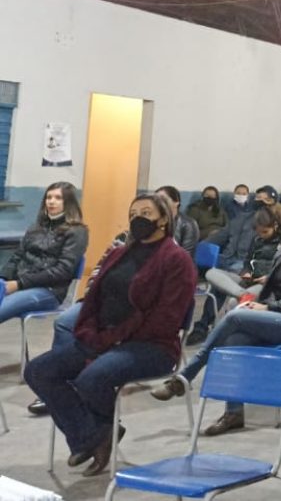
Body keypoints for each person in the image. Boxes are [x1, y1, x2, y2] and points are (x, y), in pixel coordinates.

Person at [25, 194, 195, 476]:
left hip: (152, 346)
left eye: (146, 212)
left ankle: (92, 437)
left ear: (163, 218)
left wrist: (116, 338)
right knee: (39, 371)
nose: (137, 218)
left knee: (92, 378)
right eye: (133, 212)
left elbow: (166, 320)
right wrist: (92, 332)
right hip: (104, 339)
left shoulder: (177, 260)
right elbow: (93, 300)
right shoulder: (120, 253)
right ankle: (93, 436)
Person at [152, 202, 281, 436]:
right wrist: (254, 303)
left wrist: (267, 307)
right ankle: (234, 412)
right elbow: (271, 288)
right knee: (232, 340)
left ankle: (185, 376)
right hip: (278, 317)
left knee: (235, 317)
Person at [1, 182, 88, 324]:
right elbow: (17, 257)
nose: (52, 201)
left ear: (69, 202)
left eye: (58, 198)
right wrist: (3, 279)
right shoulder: (35, 227)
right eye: (49, 197)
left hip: (49, 291)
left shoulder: (77, 231)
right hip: (20, 285)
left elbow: (63, 271)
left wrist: (19, 284)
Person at [204, 207, 281, 306]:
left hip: (266, 284)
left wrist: (269, 278)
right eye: (259, 232)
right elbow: (248, 260)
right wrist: (246, 272)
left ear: (275, 226)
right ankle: (243, 294)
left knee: (234, 303)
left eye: (265, 232)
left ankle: (243, 296)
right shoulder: (256, 239)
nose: (262, 235)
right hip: (250, 280)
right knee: (211, 273)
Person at [156, 185, 199, 256]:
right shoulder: (154, 221)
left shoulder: (188, 224)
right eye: (156, 201)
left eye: (163, 200)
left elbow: (186, 256)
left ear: (176, 202)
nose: (159, 204)